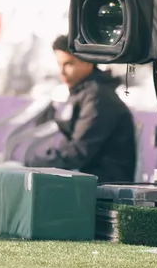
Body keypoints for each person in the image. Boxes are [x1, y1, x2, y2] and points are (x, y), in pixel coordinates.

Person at [25, 35, 137, 184]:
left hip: (104, 187)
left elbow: (78, 152)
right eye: (59, 64)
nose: (62, 72)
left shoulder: (98, 97)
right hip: (89, 180)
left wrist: (33, 164)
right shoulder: (83, 92)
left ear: (88, 63)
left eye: (68, 64)